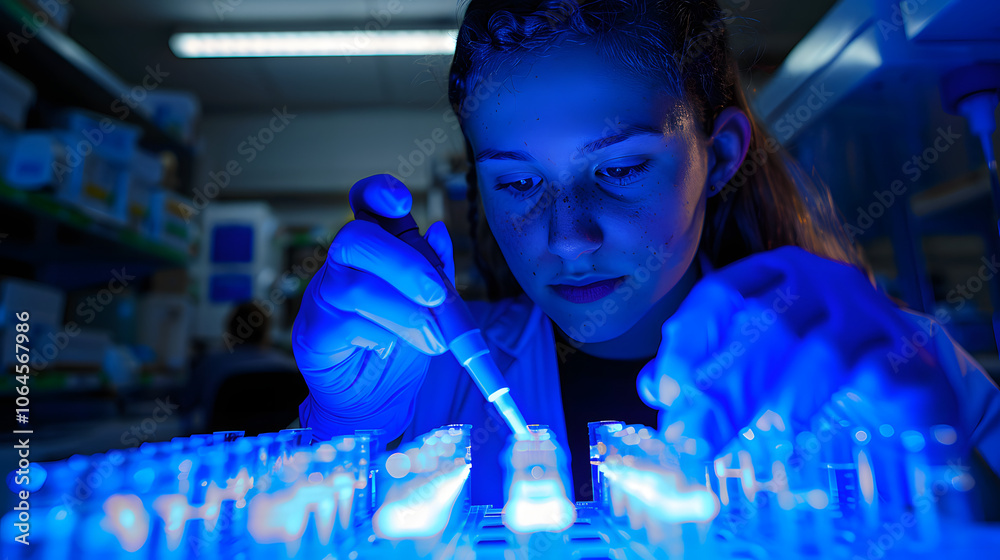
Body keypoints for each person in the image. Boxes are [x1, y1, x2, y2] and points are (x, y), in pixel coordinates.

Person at [292, 0, 1000, 507]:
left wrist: (947, 471)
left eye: (622, 169)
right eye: (516, 182)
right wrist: (348, 426)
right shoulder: (427, 386)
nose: (568, 235)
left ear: (718, 155)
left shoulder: (901, 366)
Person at [185, 301, 299, 431]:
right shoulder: (290, 367)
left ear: (230, 329)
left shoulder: (210, 364)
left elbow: (185, 404)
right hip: (278, 448)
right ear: (267, 332)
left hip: (223, 447)